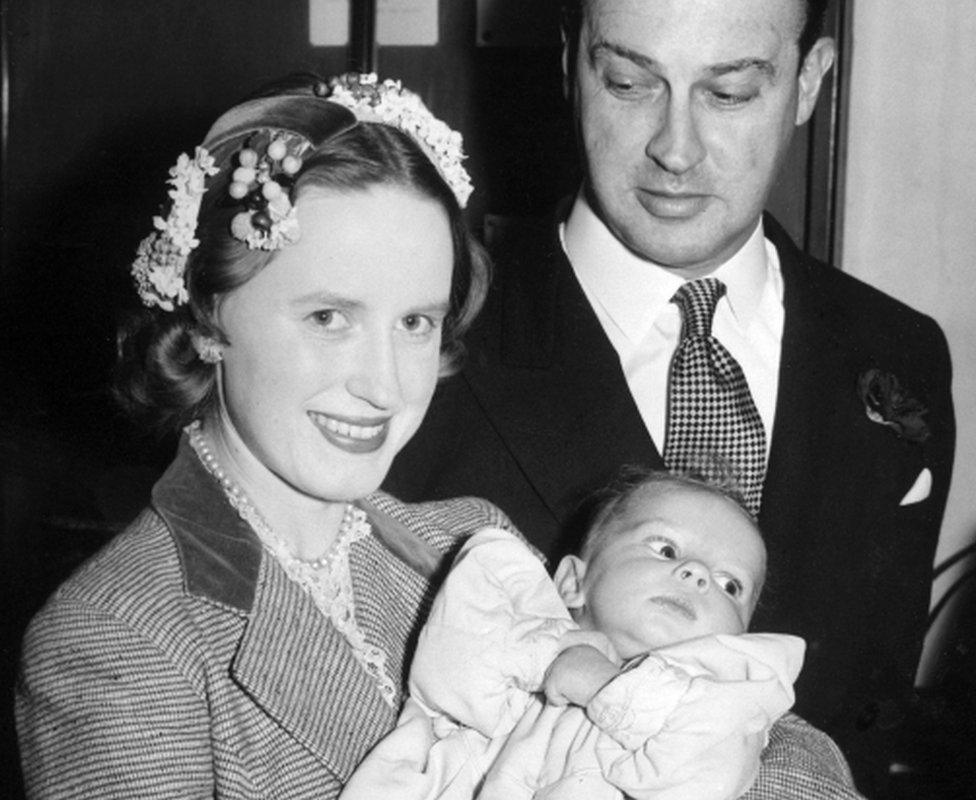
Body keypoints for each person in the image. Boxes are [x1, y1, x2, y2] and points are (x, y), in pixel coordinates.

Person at [384, 0, 956, 794]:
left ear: (809, 82)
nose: (674, 150)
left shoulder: (900, 353)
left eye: (728, 94)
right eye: (627, 82)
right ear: (570, 65)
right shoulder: (425, 339)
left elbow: (870, 703)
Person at [14, 72, 511, 799]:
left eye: (415, 323)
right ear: (208, 316)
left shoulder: (475, 550)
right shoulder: (119, 642)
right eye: (328, 318)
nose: (385, 385)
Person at [343, 469, 864, 799]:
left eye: (731, 584)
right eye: (665, 550)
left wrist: (607, 688)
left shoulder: (728, 698)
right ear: (572, 581)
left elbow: (696, 780)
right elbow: (450, 667)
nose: (699, 576)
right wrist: (549, 656)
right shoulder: (521, 616)